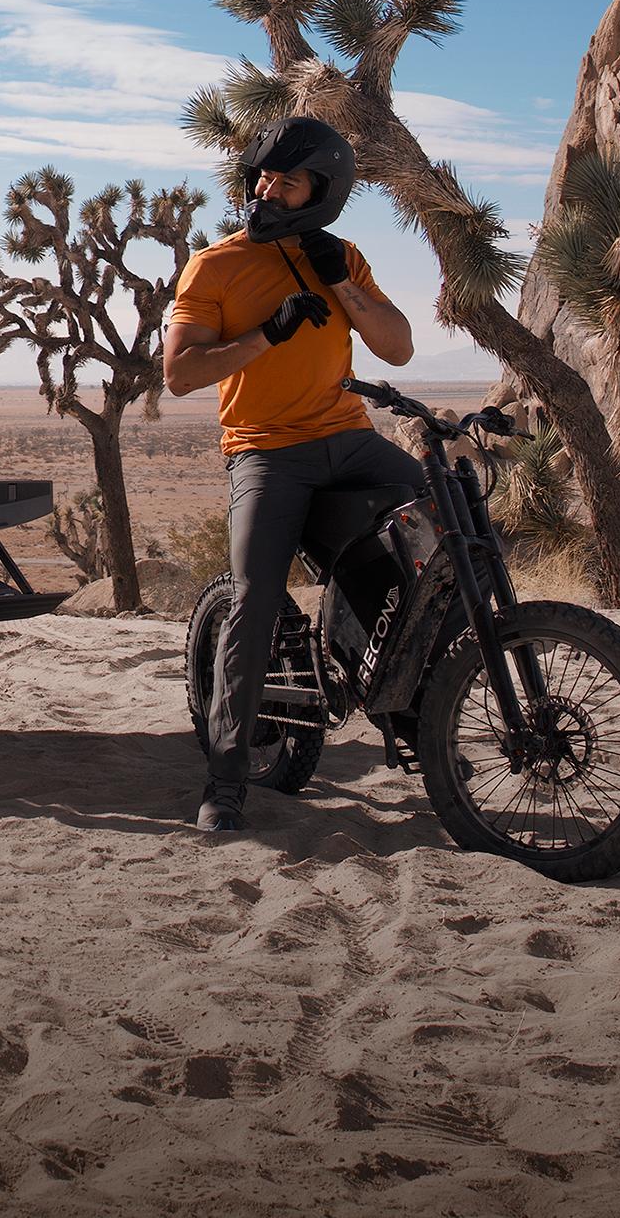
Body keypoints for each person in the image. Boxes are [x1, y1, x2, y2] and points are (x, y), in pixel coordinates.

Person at [164, 116, 423, 833]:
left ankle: (413, 715)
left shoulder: (342, 257)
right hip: (266, 450)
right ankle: (225, 781)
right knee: (252, 601)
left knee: (441, 532)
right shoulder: (214, 266)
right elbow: (180, 373)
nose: (268, 192)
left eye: (288, 182)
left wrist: (341, 283)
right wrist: (266, 335)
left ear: (321, 192)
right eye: (263, 178)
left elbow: (398, 347)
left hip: (350, 440)